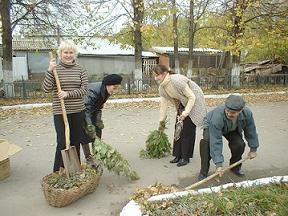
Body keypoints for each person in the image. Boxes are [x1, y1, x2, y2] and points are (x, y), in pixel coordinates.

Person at [42, 40, 88, 172]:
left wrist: (68, 94)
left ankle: (75, 170)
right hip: (60, 112)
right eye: (65, 52)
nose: (68, 55)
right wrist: (50, 70)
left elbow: (84, 89)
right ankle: (57, 171)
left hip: (78, 110)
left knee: (75, 142)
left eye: (71, 52)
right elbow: (46, 88)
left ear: (75, 54)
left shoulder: (80, 69)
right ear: (60, 53)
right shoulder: (55, 69)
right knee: (62, 142)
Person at [153, 65, 206, 167]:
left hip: (195, 101)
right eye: (154, 76)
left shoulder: (177, 80)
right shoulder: (162, 88)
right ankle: (177, 155)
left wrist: (185, 113)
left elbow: (192, 97)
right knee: (178, 128)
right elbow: (163, 106)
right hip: (182, 102)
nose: (155, 78)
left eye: (157, 75)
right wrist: (161, 122)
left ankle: (185, 157)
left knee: (187, 130)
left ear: (164, 74)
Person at [198, 94, 259, 181]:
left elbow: (251, 131)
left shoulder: (247, 113)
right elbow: (216, 141)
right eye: (227, 110)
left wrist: (253, 149)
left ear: (241, 110)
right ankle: (203, 171)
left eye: (233, 112)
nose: (229, 114)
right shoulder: (217, 116)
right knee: (207, 144)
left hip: (231, 128)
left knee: (239, 144)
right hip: (211, 126)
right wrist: (219, 165)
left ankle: (234, 168)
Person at [80, 74, 123, 165]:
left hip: (93, 110)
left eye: (117, 88)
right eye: (114, 88)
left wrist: (98, 120)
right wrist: (89, 124)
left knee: (98, 131)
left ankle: (97, 153)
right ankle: (88, 157)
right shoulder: (94, 90)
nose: (115, 91)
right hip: (82, 111)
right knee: (85, 134)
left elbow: (99, 107)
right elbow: (86, 108)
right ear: (107, 85)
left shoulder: (107, 91)